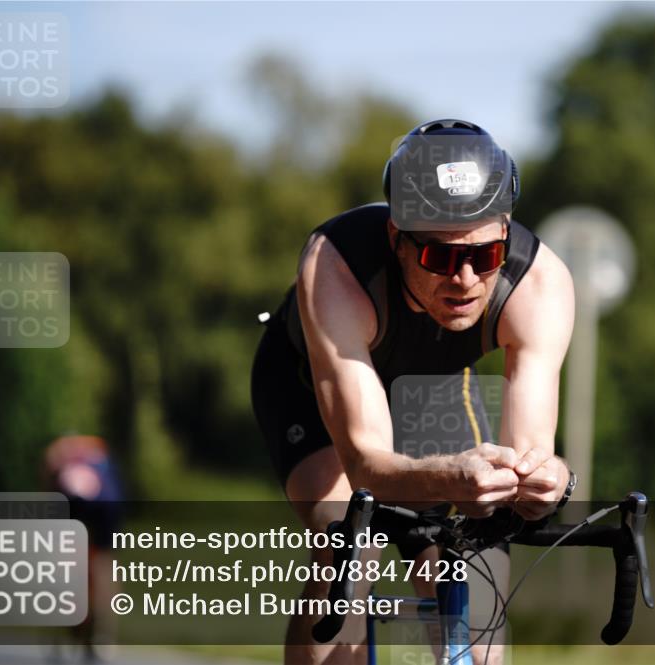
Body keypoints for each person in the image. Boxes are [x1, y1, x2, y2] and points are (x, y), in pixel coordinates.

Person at [251, 119, 576, 665]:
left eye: (485, 256)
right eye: (440, 258)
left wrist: (550, 481)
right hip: (312, 383)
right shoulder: (337, 266)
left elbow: (527, 461)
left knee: (471, 572)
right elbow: (366, 468)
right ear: (397, 239)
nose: (466, 279)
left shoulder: (539, 283)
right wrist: (452, 477)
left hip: (436, 386)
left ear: (505, 234)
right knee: (348, 547)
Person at [42, 433, 123, 662]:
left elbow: (49, 485)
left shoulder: (57, 453)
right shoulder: (99, 450)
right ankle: (103, 634)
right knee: (104, 561)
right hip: (108, 501)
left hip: (73, 499)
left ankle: (64, 620)